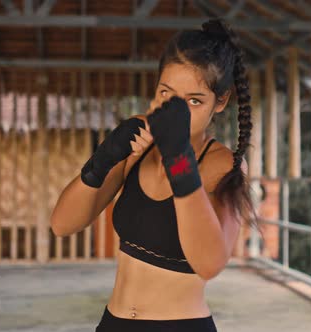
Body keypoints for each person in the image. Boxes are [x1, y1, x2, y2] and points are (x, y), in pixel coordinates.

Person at [50, 17, 262, 332]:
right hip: (114, 322)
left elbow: (210, 263)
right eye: (167, 93)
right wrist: (103, 159)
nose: (175, 110)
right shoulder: (139, 141)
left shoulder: (223, 164)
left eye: (193, 100)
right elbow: (62, 224)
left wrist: (180, 161)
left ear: (221, 101)